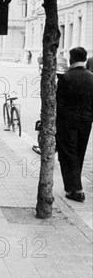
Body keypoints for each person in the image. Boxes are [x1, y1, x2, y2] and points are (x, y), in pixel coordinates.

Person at [56, 46, 93, 202]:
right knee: (79, 152)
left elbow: (60, 104)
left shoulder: (65, 78)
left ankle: (75, 189)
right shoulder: (91, 77)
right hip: (86, 121)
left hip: (68, 122)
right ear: (84, 59)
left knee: (68, 154)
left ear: (71, 59)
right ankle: (75, 186)